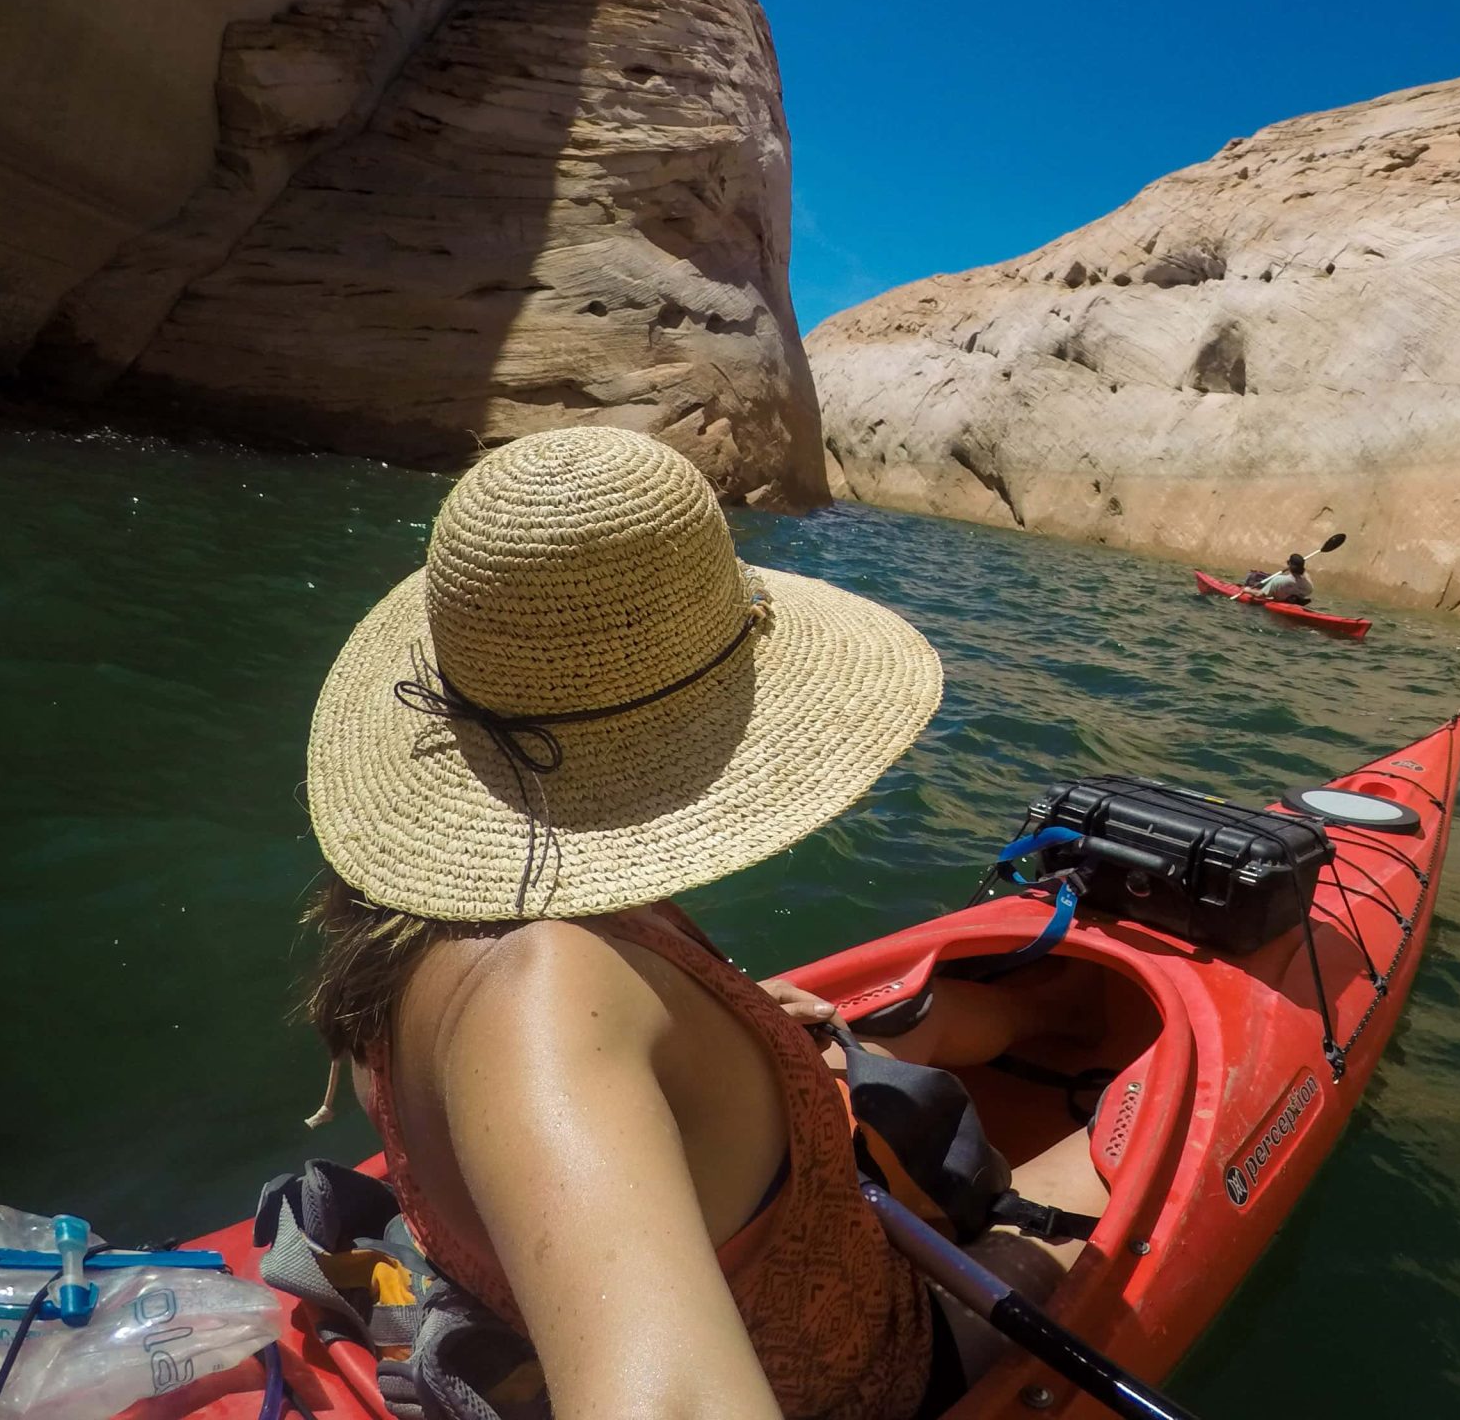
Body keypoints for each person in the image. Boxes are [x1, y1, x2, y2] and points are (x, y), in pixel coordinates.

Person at [296, 425, 1091, 1420]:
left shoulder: (412, 925)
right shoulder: (545, 991)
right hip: (870, 1371)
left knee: (918, 1032)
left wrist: (735, 1033)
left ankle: (1039, 1022)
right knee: (1100, 1179)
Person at [1240, 553, 1314, 606]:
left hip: (1280, 592)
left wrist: (1247, 590)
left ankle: (1251, 581)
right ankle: (1294, 599)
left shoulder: (1279, 580)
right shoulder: (1309, 586)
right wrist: (1298, 565)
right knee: (1269, 577)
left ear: (1289, 564)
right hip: (1291, 595)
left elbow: (1259, 594)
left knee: (1252, 575)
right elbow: (1306, 574)